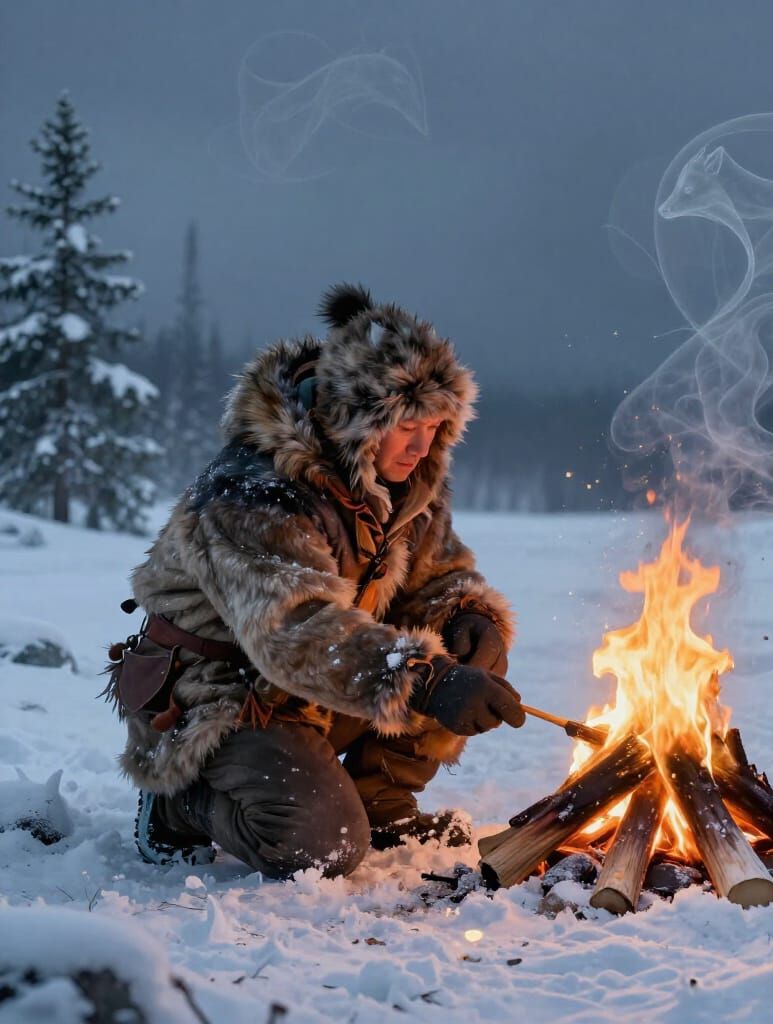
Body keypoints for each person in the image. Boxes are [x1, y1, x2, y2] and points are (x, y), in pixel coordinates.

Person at [105, 283, 524, 879]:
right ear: (357, 418)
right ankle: (179, 803)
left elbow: (437, 577)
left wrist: (470, 618)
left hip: (313, 685)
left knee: (465, 647)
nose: (424, 445)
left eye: (437, 425)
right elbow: (295, 629)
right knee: (318, 848)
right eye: (409, 425)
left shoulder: (408, 483)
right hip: (221, 691)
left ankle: (382, 800)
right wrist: (425, 682)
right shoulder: (252, 492)